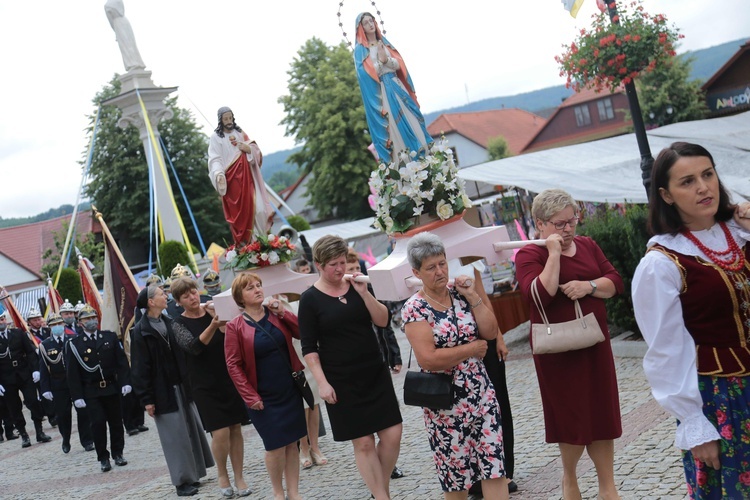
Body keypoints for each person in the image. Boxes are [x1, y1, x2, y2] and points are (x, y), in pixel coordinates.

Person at [631, 142, 750, 499]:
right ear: (666, 195)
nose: (703, 187)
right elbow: (667, 349)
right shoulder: (661, 264)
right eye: (688, 181)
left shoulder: (741, 233)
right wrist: (694, 423)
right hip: (722, 397)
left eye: (708, 174)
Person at [515, 188, 623, 500]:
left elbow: (613, 281)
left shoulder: (587, 245)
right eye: (559, 224)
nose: (567, 229)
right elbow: (539, 295)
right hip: (558, 353)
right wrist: (553, 254)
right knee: (572, 418)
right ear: (540, 224)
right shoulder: (529, 253)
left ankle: (608, 487)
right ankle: (570, 479)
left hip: (594, 345)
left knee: (601, 414)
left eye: (571, 221)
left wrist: (588, 286)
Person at [401, 233, 508, 499]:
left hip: (481, 397)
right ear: (416, 272)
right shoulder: (415, 309)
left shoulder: (460, 296)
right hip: (445, 406)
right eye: (431, 267)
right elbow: (428, 358)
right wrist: (471, 349)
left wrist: (474, 296)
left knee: (494, 469)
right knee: (457, 482)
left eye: (442, 263)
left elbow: (490, 331)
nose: (440, 271)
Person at [299, 235, 402, 500]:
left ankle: (380, 489)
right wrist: (322, 382)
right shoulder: (309, 300)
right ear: (319, 265)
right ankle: (382, 496)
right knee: (364, 441)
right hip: (341, 378)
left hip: (373, 371)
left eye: (342, 262)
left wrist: (364, 294)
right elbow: (309, 347)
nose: (340, 269)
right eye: (333, 264)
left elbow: (382, 320)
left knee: (392, 434)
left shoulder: (357, 285)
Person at [225, 272, 306, 500]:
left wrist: (283, 312)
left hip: (288, 389)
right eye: (250, 288)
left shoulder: (276, 314)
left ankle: (294, 492)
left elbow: (301, 332)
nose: (257, 289)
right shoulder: (235, 326)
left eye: (259, 285)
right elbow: (233, 365)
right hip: (262, 396)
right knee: (274, 446)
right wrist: (250, 397)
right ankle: (278, 492)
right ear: (240, 297)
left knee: (293, 443)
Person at [131, 285, 214, 497]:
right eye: (161, 294)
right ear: (151, 302)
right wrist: (146, 399)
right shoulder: (141, 331)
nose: (165, 296)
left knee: (190, 430)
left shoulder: (169, 322)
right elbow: (140, 368)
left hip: (182, 386)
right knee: (174, 437)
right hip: (162, 392)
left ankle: (195, 473)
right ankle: (182, 481)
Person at [171, 278, 251, 498]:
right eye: (186, 296)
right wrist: (213, 325)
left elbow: (233, 333)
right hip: (202, 384)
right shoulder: (178, 323)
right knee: (220, 431)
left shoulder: (212, 311)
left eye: (194, 292)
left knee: (236, 428)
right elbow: (193, 347)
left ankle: (239, 476)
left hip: (227, 377)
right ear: (178, 302)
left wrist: (222, 318)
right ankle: (222, 474)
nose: (192, 298)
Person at [354, 12, 433, 164]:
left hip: (397, 85)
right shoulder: (361, 51)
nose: (370, 24)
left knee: (413, 116)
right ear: (361, 28)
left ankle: (424, 153)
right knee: (393, 125)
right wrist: (380, 63)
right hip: (382, 92)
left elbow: (399, 64)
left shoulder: (384, 43)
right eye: (366, 22)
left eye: (372, 21)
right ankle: (407, 160)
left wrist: (387, 60)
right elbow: (365, 76)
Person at [65, 305, 131, 472]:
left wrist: (125, 382)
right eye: (87, 319)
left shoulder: (108, 337)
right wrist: (76, 396)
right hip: (91, 391)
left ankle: (118, 453)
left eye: (94, 317)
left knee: (116, 422)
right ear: (80, 323)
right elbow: (72, 373)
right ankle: (103, 457)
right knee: (98, 423)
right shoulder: (75, 344)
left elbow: (121, 363)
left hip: (111, 387)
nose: (92, 321)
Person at [208, 106, 275, 244]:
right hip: (233, 183)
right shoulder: (215, 138)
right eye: (225, 119)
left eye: (230, 118)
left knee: (260, 210)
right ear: (220, 120)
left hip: (248, 179)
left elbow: (255, 150)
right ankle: (250, 245)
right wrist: (218, 173)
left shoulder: (240, 133)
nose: (228, 121)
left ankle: (263, 242)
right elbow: (215, 158)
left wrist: (249, 149)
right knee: (241, 216)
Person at [39, 313, 94, 454]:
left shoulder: (73, 339)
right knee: (63, 415)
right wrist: (45, 389)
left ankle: (87, 441)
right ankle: (66, 439)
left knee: (83, 412)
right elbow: (44, 368)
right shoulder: (45, 345)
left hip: (76, 382)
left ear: (64, 324)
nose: (57, 327)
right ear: (49, 327)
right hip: (58, 383)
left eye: (59, 324)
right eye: (53, 325)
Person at [0, 313, 51, 448]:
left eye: (2, 319)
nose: (1, 322)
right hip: (6, 378)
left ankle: (39, 431)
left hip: (24, 373)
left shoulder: (18, 333)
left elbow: (30, 352)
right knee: (14, 407)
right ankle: (24, 435)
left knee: (33, 401)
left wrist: (35, 369)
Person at [104, 0, 146, 71]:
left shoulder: (107, 5)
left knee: (125, 45)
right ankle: (138, 62)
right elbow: (122, 11)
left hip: (117, 24)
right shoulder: (118, 1)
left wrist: (115, 32)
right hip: (125, 21)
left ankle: (131, 63)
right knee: (131, 43)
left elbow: (110, 20)